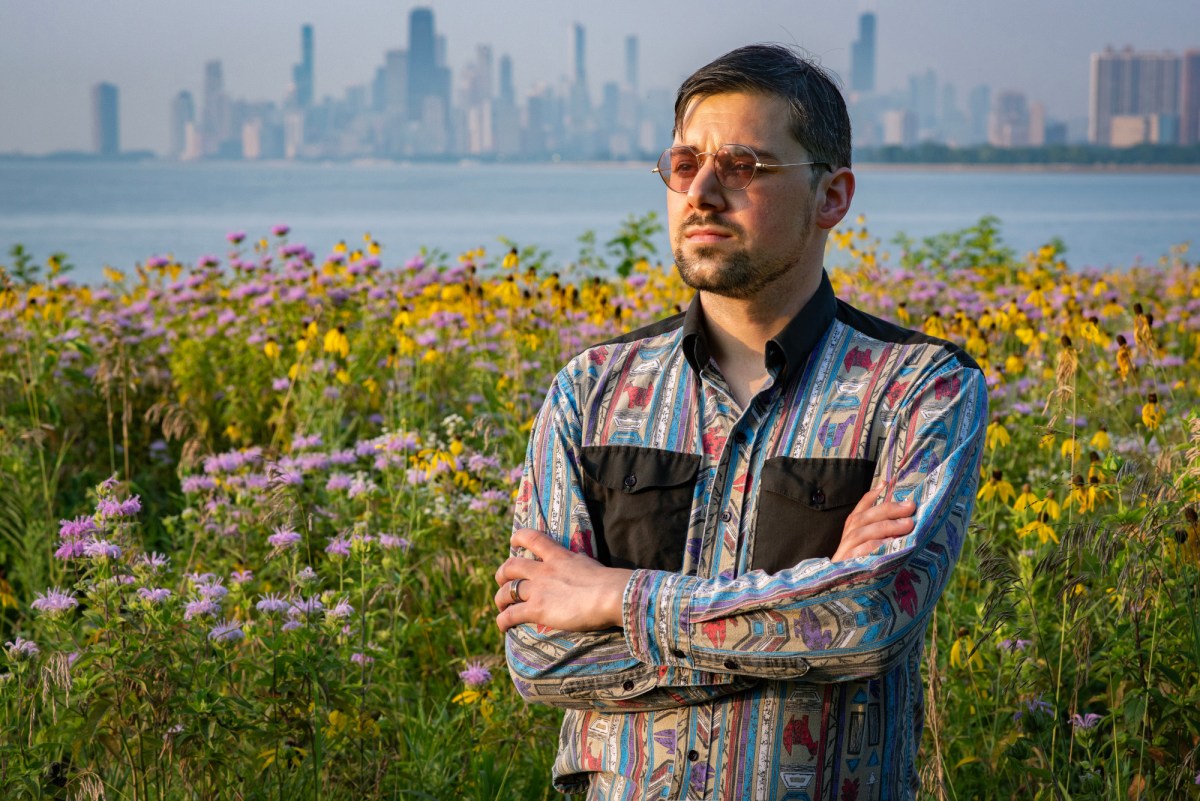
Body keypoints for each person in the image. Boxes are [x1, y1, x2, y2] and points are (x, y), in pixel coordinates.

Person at [494, 43, 987, 801]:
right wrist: (803, 614)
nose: (703, 191)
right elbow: (539, 656)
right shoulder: (590, 392)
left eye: (746, 167)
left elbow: (869, 616)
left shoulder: (918, 388)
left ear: (833, 197)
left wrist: (613, 597)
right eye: (685, 163)